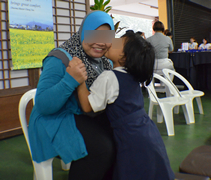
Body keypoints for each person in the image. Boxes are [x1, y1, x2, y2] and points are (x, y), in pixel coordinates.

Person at [28, 11, 116, 180]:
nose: (101, 42)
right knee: (100, 148)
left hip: (83, 113)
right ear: (84, 32)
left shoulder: (105, 61)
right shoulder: (59, 58)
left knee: (120, 135)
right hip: (53, 119)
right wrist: (70, 80)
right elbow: (43, 105)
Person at [77, 31, 175, 180]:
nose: (112, 42)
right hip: (147, 132)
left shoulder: (109, 77)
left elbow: (87, 106)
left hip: (130, 137)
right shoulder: (132, 76)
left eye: (118, 42)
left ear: (125, 57)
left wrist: (79, 80)